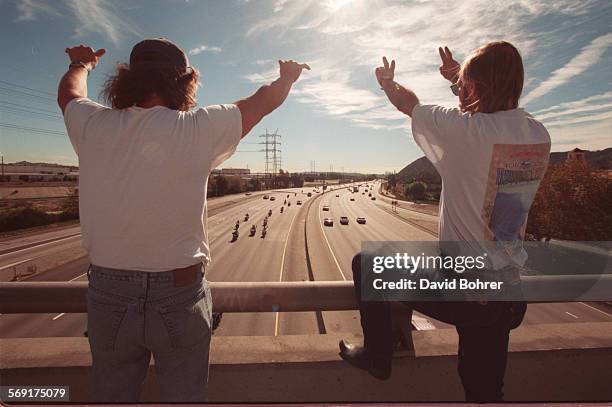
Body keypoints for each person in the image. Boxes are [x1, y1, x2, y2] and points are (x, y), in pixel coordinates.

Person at [58, 38, 309, 402]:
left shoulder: (93, 125)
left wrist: (81, 65)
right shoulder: (200, 128)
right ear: (186, 81)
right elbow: (262, 102)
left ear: (126, 79)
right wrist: (287, 78)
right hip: (179, 293)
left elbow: (69, 95)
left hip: (108, 293)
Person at [339, 42, 551, 402]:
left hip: (466, 290)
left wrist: (388, 83)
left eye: (464, 85)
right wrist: (458, 76)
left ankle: (378, 356)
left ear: (475, 87)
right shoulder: (537, 134)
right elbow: (492, 103)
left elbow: (410, 104)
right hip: (508, 293)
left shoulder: (462, 131)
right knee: (484, 391)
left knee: (369, 264)